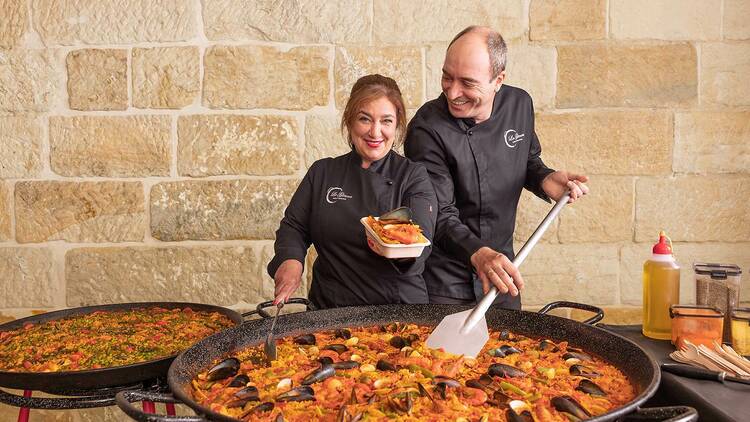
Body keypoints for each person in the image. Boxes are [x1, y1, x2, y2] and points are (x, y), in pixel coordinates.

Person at [404, 26, 589, 308]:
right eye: (447, 77)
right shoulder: (426, 129)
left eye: (467, 82)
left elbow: (527, 160)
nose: (453, 92)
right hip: (446, 285)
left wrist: (545, 178)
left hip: (502, 274)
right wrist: (478, 253)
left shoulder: (519, 105)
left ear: (498, 80)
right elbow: (439, 214)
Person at [268, 74, 437, 309]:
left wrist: (396, 248)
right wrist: (291, 261)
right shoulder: (323, 172)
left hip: (395, 313)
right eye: (365, 119)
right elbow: (294, 227)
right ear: (349, 121)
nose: (375, 132)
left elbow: (420, 242)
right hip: (328, 311)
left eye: (386, 121)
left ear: (397, 125)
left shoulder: (413, 176)